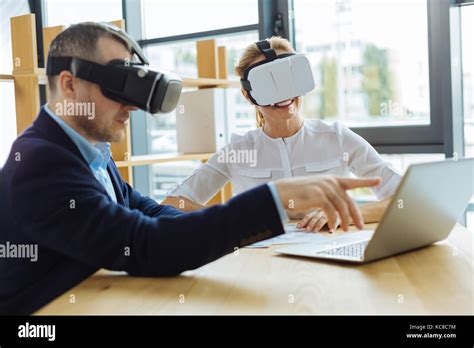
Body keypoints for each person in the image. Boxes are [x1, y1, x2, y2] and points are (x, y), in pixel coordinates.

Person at [0, 23, 380, 314]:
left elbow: (147, 212)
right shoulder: (40, 162)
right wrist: (275, 202)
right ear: (69, 85)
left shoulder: (88, 150)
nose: (132, 107)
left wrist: (246, 236)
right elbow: (147, 245)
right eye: (120, 86)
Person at [164, 37, 401, 232]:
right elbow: (174, 204)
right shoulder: (239, 151)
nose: (283, 96)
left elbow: (403, 199)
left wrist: (344, 214)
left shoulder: (337, 138)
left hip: (328, 254)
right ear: (248, 96)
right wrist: (234, 217)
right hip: (261, 260)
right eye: (269, 84)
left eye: (287, 80)